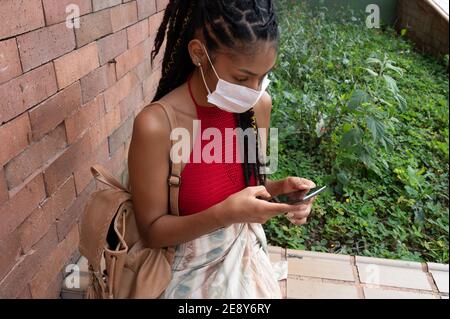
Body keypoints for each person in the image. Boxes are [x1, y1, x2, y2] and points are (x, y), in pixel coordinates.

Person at [128, 0, 316, 298]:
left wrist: (283, 192)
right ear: (199, 54)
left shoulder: (258, 107)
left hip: (245, 259)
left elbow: (252, 184)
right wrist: (223, 215)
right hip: (183, 275)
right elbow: (151, 231)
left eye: (263, 76)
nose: (255, 89)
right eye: (242, 78)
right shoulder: (156, 125)